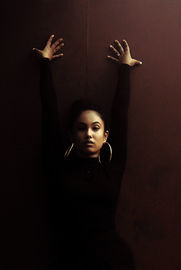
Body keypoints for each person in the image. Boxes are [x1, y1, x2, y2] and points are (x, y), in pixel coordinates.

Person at [33, 34, 141, 270]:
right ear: (71, 135)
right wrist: (44, 64)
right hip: (71, 261)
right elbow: (49, 116)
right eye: (81, 128)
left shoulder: (112, 169)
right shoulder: (59, 168)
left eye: (95, 128)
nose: (89, 134)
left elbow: (121, 115)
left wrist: (125, 69)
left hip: (114, 261)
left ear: (105, 136)